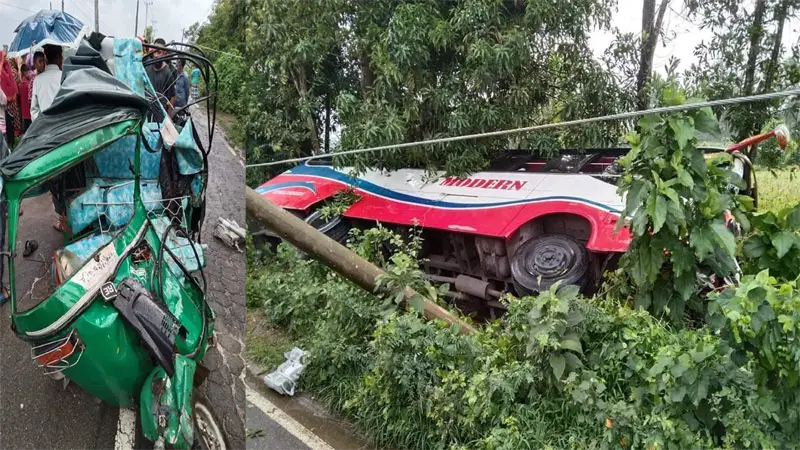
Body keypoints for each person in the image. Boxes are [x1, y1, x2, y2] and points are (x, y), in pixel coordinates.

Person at [145, 38, 177, 122]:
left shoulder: (168, 73)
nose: (156, 55)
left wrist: (169, 117)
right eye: (154, 52)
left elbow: (172, 96)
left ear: (164, 54)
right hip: (146, 111)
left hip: (159, 116)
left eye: (159, 52)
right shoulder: (147, 67)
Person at [31, 45, 62, 121]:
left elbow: (34, 110)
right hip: (62, 126)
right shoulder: (64, 76)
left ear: (46, 58)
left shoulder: (37, 80)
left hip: (44, 127)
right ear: (58, 57)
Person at [0, 53, 18, 148]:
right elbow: (4, 100)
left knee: (11, 122)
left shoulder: (8, 69)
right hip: (5, 106)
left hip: (10, 105)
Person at [18, 64, 31, 132]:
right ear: (25, 73)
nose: (30, 74)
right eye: (29, 72)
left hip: (24, 113)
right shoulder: (29, 84)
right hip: (30, 112)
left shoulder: (20, 84)